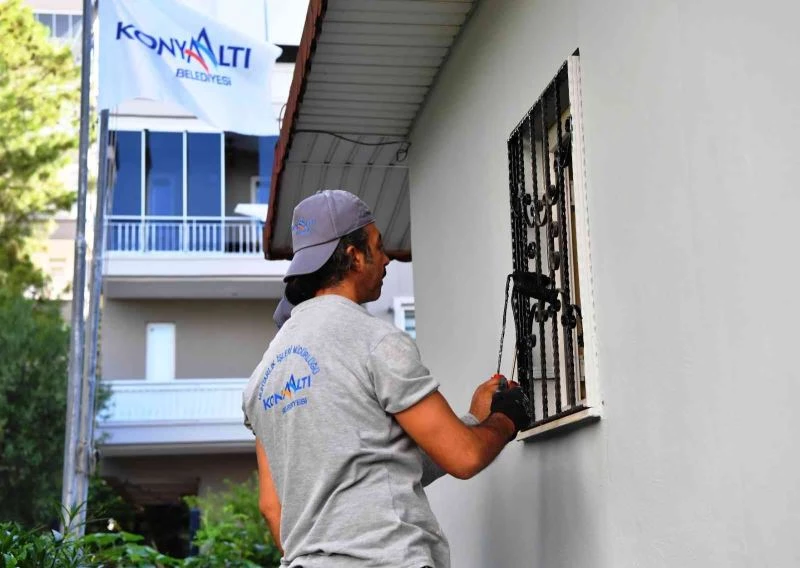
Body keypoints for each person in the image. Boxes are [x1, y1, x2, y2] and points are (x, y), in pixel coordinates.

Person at [242, 189, 530, 568]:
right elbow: (464, 455)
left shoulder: (261, 379)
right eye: (378, 246)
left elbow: (273, 506)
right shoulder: (374, 341)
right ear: (354, 256)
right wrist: (505, 419)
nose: (388, 258)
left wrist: (473, 419)